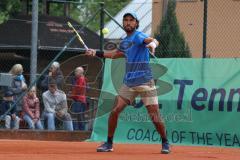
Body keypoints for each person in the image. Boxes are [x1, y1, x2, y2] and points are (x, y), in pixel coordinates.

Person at [86, 12, 170, 153]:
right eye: (126, 20)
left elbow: (152, 40)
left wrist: (153, 44)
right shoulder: (125, 41)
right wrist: (95, 53)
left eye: (131, 20)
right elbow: (115, 55)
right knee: (114, 111)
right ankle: (109, 143)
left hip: (145, 81)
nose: (128, 23)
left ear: (136, 23)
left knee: (154, 115)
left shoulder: (138, 36)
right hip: (129, 83)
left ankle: (165, 142)